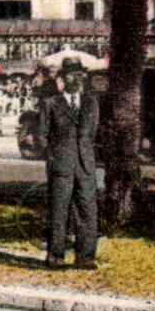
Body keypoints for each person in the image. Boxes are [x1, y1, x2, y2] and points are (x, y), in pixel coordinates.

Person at [42, 61, 99, 270]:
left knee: (87, 209)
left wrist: (85, 157)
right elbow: (43, 136)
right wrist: (53, 159)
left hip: (85, 165)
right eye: (70, 75)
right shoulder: (51, 103)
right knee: (58, 210)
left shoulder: (90, 103)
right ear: (62, 78)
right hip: (61, 165)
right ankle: (55, 255)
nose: (75, 79)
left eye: (79, 75)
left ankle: (85, 256)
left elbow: (91, 134)